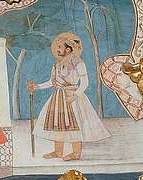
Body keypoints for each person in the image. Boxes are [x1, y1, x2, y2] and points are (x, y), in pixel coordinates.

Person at [28, 31, 112, 162]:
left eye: (60, 47)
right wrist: (37, 86)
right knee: (57, 123)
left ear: (68, 49)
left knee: (74, 123)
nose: (57, 49)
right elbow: (52, 82)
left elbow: (85, 83)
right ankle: (58, 151)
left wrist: (74, 96)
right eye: (57, 47)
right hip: (58, 97)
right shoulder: (57, 63)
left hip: (73, 97)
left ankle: (76, 153)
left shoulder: (78, 62)